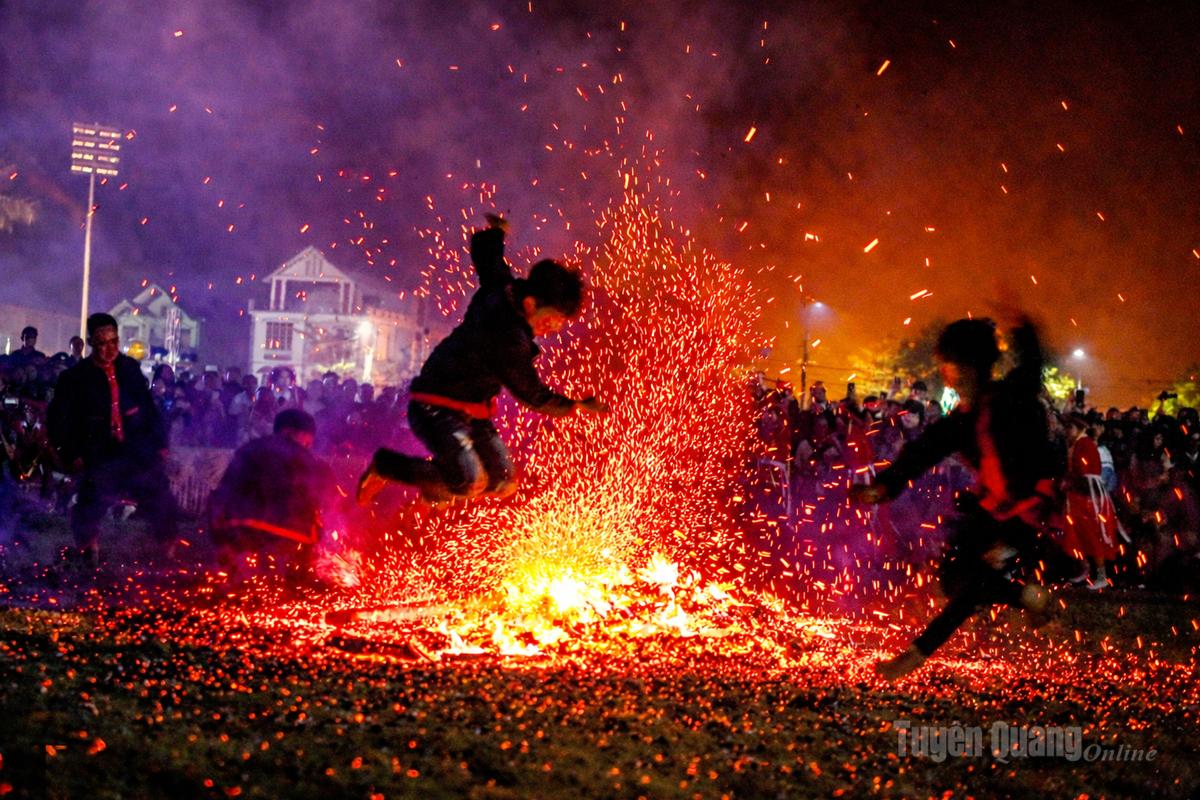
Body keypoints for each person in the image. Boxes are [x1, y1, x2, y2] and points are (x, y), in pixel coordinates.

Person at [850, 316, 1058, 679]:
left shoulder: (1012, 399)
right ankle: (1027, 597)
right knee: (952, 579)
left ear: (969, 367)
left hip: (1028, 511)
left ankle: (912, 658)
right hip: (992, 511)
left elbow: (1032, 367)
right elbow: (922, 452)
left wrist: (1023, 328)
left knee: (971, 589)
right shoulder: (961, 420)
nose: (943, 371)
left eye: (949, 363)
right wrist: (884, 486)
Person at [357, 215, 609, 506]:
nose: (550, 330)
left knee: (503, 480)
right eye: (550, 321)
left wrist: (496, 233)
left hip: (473, 412)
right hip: (436, 406)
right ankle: (386, 465)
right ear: (531, 304)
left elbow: (487, 256)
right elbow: (532, 394)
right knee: (469, 480)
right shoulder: (508, 337)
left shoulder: (504, 287)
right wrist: (573, 406)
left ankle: (437, 484)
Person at [47, 313, 177, 563]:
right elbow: (59, 419)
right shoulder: (75, 378)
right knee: (91, 501)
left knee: (159, 495)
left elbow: (149, 408)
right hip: (98, 450)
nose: (110, 349)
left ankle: (168, 551)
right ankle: (88, 551)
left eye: (114, 342)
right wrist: (71, 453)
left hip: (135, 447)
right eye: (102, 343)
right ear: (92, 343)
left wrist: (159, 443)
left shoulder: (130, 369)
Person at [208, 409, 335, 581]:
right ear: (293, 432)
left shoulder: (249, 448)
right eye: (307, 441)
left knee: (241, 578)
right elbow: (328, 499)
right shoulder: (310, 460)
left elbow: (225, 490)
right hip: (292, 536)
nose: (308, 445)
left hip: (241, 530)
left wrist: (219, 535)